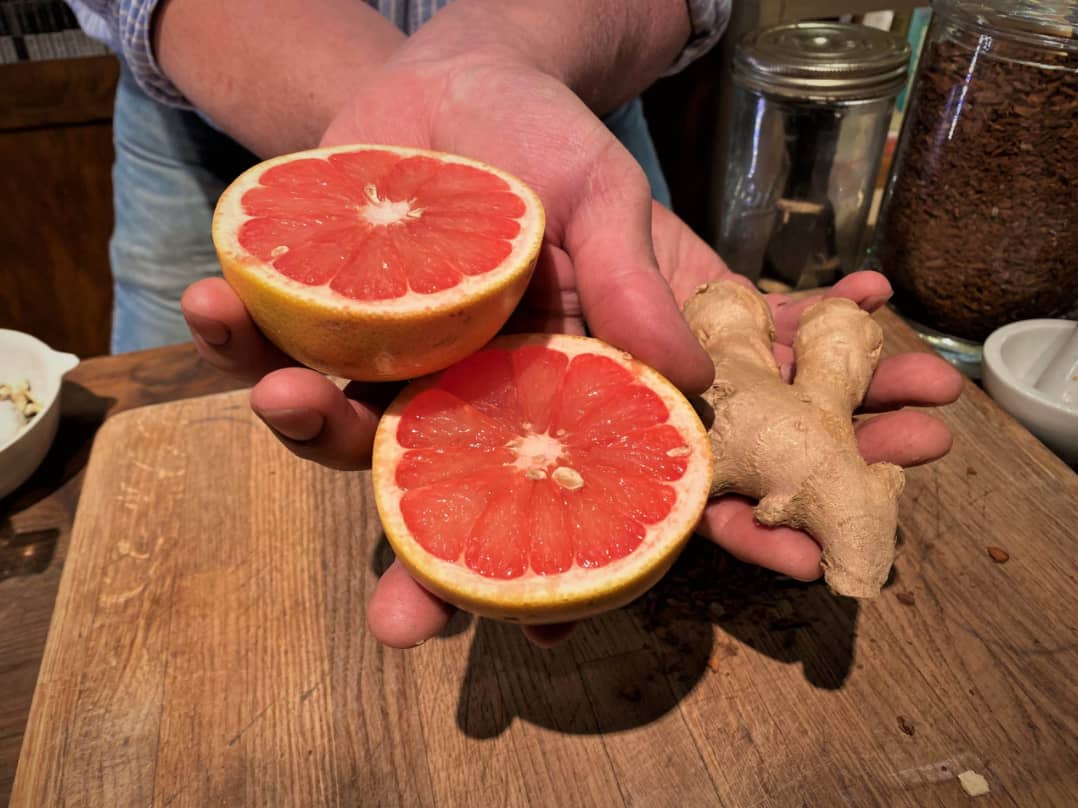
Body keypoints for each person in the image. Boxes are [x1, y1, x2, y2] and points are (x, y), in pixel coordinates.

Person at [69, 0, 962, 648]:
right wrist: (437, 100)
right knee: (179, 497)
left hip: (571, 106)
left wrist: (488, 64)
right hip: (203, 131)